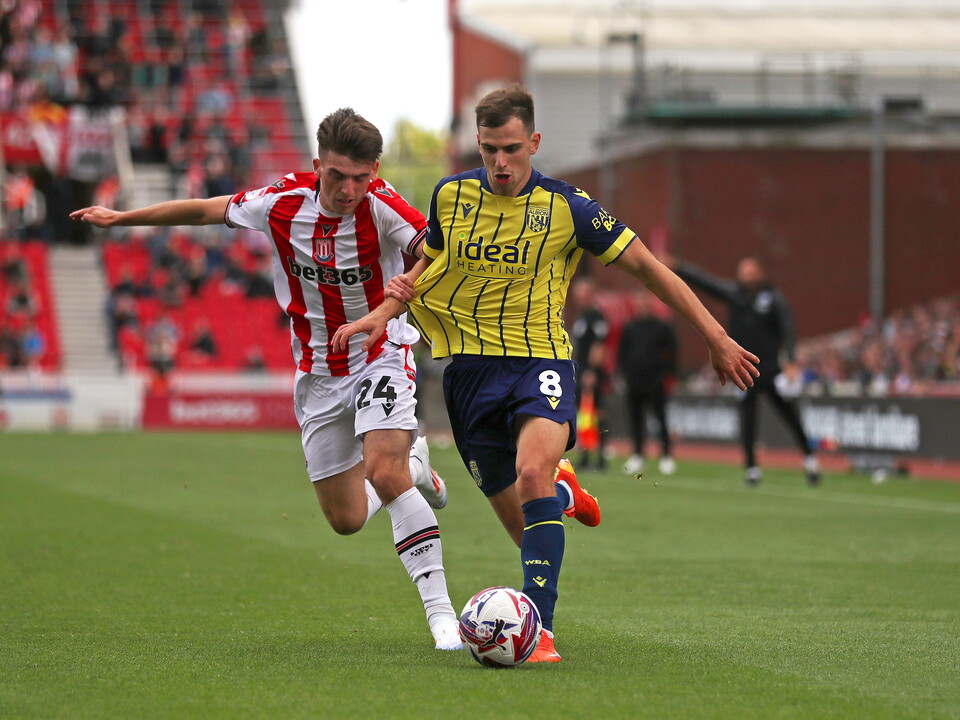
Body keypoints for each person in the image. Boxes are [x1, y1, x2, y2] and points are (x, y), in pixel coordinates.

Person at [333, 85, 759, 663]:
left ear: (533, 141)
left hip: (540, 361)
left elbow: (647, 268)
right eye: (489, 150)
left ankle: (542, 632)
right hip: (466, 377)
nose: (500, 163)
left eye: (511, 149)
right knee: (524, 527)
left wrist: (716, 336)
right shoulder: (451, 196)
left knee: (531, 471)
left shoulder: (569, 208)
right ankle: (564, 490)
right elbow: (426, 270)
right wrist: (381, 315)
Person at [71, 107, 463, 651]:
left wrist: (393, 300)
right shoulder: (281, 203)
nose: (349, 189)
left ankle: (444, 619)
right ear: (316, 166)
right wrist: (123, 218)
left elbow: (438, 249)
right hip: (318, 374)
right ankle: (418, 464)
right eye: (337, 176)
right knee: (347, 519)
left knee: (383, 469)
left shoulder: (384, 207)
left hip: (382, 355)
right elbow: (210, 209)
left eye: (360, 177)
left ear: (373, 172)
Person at [671, 256, 820, 486]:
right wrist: (678, 267)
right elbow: (707, 283)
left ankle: (810, 460)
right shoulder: (735, 295)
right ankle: (751, 468)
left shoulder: (774, 299)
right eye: (744, 273)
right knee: (747, 421)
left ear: (760, 274)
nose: (747, 277)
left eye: (751, 272)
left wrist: (790, 361)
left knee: (791, 416)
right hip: (743, 369)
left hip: (771, 370)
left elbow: (788, 331)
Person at [617, 290, 678, 475]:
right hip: (634, 382)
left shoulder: (662, 327)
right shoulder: (630, 327)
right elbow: (622, 353)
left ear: (650, 306)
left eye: (645, 304)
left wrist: (666, 375)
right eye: (639, 304)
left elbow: (672, 353)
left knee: (660, 418)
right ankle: (638, 455)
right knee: (635, 419)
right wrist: (625, 374)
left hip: (655, 381)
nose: (642, 307)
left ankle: (666, 456)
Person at [569, 276, 609, 470]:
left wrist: (592, 371)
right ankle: (585, 456)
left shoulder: (595, 316)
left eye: (582, 293)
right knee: (584, 414)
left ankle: (600, 457)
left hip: (590, 372)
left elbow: (598, 346)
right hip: (581, 370)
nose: (578, 298)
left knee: (596, 412)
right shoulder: (582, 316)